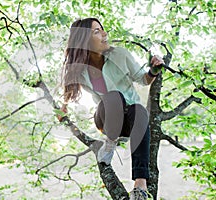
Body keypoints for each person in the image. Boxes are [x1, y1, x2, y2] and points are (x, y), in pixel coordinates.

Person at [59, 18, 164, 200]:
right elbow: (69, 88)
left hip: (130, 120)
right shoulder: (80, 69)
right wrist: (63, 108)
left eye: (102, 29)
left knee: (139, 109)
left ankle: (140, 186)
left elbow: (143, 79)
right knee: (113, 96)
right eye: (97, 31)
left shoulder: (120, 55)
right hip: (105, 119)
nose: (104, 34)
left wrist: (154, 70)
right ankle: (110, 142)